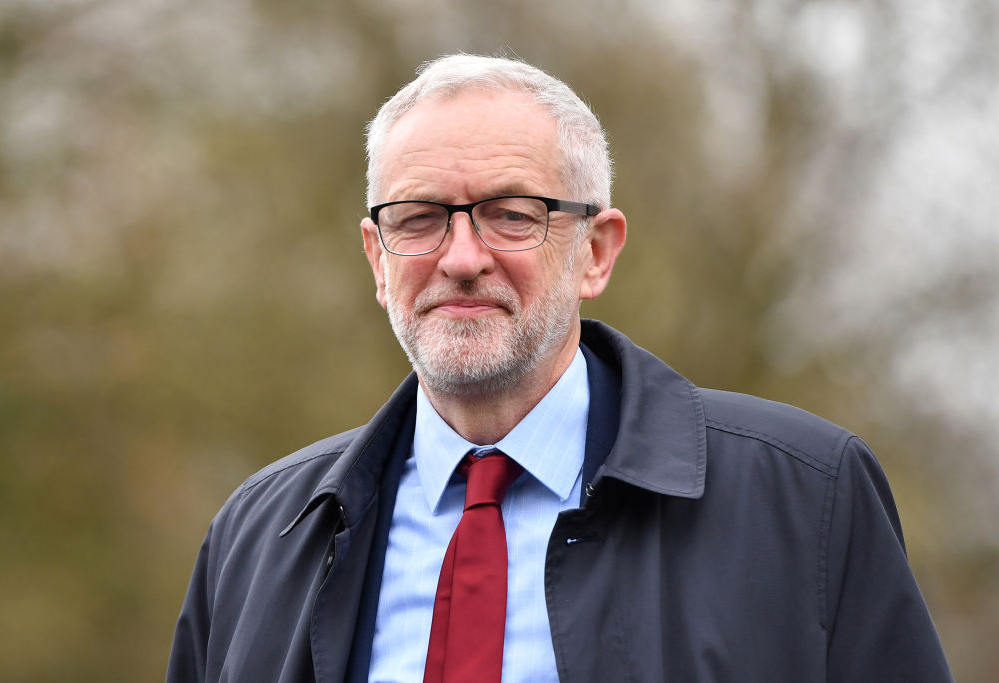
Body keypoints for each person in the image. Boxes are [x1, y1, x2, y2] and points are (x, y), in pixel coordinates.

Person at [167, 54, 952, 683]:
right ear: (378, 259)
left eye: (512, 214)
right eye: (420, 218)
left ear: (596, 251)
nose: (463, 258)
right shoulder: (257, 535)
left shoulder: (806, 499)